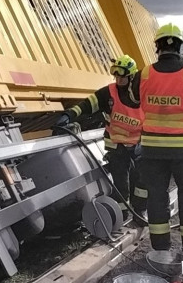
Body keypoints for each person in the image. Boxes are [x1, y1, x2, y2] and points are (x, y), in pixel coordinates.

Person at [124, 23, 183, 265]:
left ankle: (161, 252)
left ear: (157, 47)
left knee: (156, 197)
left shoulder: (143, 74)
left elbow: (133, 100)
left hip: (152, 150)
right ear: (179, 45)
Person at [56, 55, 147, 219]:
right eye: (116, 76)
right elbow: (87, 105)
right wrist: (68, 115)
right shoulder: (109, 93)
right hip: (117, 145)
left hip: (139, 145)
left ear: (131, 76)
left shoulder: (142, 95)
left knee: (143, 180)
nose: (118, 79)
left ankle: (139, 211)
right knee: (121, 182)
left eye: (122, 76)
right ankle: (121, 213)